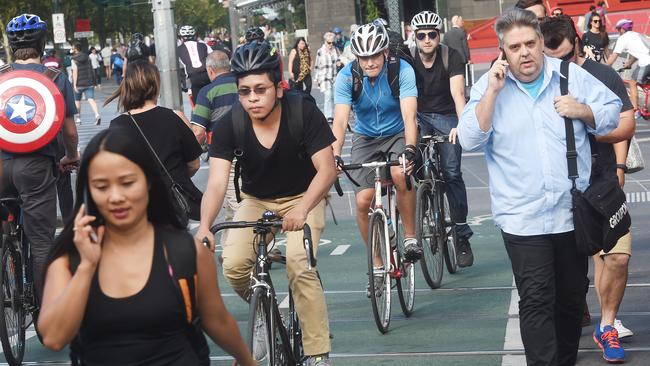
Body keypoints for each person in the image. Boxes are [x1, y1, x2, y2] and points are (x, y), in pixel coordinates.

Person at [458, 9, 622, 366]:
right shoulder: (490, 87)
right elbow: (469, 138)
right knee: (536, 300)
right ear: (502, 51)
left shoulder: (569, 76)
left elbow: (612, 110)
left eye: (530, 43)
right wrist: (491, 93)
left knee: (570, 300)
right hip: (522, 219)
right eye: (514, 47)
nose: (524, 53)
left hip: (570, 214)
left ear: (540, 42)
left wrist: (583, 110)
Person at [38, 128, 255, 366]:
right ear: (88, 191)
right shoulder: (70, 260)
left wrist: (247, 360)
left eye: (127, 182)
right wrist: (86, 267)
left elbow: (217, 320)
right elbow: (53, 337)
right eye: (101, 186)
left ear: (148, 181)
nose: (116, 196)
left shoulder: (185, 252)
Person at [195, 41, 336, 366]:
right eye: (244, 91)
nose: (252, 98)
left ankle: (317, 355)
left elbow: (326, 170)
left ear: (279, 87)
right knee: (232, 264)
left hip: (306, 195)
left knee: (299, 265)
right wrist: (205, 226)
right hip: (258, 200)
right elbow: (217, 182)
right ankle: (265, 314)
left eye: (260, 89)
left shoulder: (302, 111)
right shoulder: (232, 122)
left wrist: (302, 209)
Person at [541, 16, 636, 363]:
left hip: (603, 180)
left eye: (566, 57)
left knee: (618, 257)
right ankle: (570, 313)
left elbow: (626, 123)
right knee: (569, 266)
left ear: (578, 43)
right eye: (554, 58)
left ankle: (607, 325)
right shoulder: (539, 79)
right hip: (561, 186)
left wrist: (588, 122)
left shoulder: (601, 74)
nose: (560, 65)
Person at [332, 22, 420, 292]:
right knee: (363, 200)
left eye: (374, 56)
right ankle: (378, 264)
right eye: (363, 57)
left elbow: (409, 115)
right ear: (356, 57)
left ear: (384, 52)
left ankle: (410, 238)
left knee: (399, 172)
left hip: (397, 133)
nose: (369, 62)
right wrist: (335, 154)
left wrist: (410, 148)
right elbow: (340, 120)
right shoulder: (346, 77)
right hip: (365, 137)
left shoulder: (401, 70)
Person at [2, 13, 80, 302]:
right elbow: (70, 132)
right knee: (42, 242)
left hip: (1, 166)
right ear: (42, 43)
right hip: (35, 166)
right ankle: (47, 311)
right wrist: (70, 157)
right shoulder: (54, 79)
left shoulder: (1, 76)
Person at [411, 11, 474, 267]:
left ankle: (461, 234)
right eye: (421, 35)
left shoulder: (452, 56)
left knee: (451, 172)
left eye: (431, 34)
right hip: (418, 115)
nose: (426, 39)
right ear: (414, 37)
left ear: (439, 35)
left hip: (447, 115)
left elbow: (458, 94)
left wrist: (461, 125)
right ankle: (424, 205)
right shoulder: (408, 57)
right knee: (410, 163)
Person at [105, 60, 203, 221]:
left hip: (137, 205)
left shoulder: (117, 125)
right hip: (173, 205)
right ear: (155, 84)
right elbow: (194, 164)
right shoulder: (174, 117)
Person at [607, 19, 650, 114]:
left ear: (622, 29)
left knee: (632, 83)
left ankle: (635, 109)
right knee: (643, 81)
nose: (618, 32)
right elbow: (639, 52)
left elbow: (614, 56)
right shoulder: (637, 35)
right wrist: (629, 64)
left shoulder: (623, 38)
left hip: (646, 62)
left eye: (618, 29)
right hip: (646, 60)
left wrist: (604, 67)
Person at [177, 25, 213, 106]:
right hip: (207, 76)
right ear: (195, 35)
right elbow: (213, 57)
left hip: (192, 79)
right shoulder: (203, 45)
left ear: (181, 38)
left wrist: (183, 85)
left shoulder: (178, 49)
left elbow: (179, 68)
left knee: (198, 107)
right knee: (211, 102)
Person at [71, 42, 101, 125]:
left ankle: (78, 119)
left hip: (79, 84)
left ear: (76, 49)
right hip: (89, 82)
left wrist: (74, 85)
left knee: (77, 101)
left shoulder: (74, 59)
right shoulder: (88, 57)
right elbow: (91, 69)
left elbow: (75, 72)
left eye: (73, 48)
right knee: (91, 99)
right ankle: (97, 115)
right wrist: (94, 82)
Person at [314, 32, 340, 123]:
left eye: (332, 42)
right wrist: (316, 78)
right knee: (328, 95)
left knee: (335, 96)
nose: (331, 44)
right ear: (325, 41)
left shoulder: (335, 50)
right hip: (324, 76)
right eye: (329, 42)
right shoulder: (320, 51)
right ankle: (328, 116)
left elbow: (339, 59)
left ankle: (334, 115)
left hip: (334, 76)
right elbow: (317, 65)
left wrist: (339, 63)